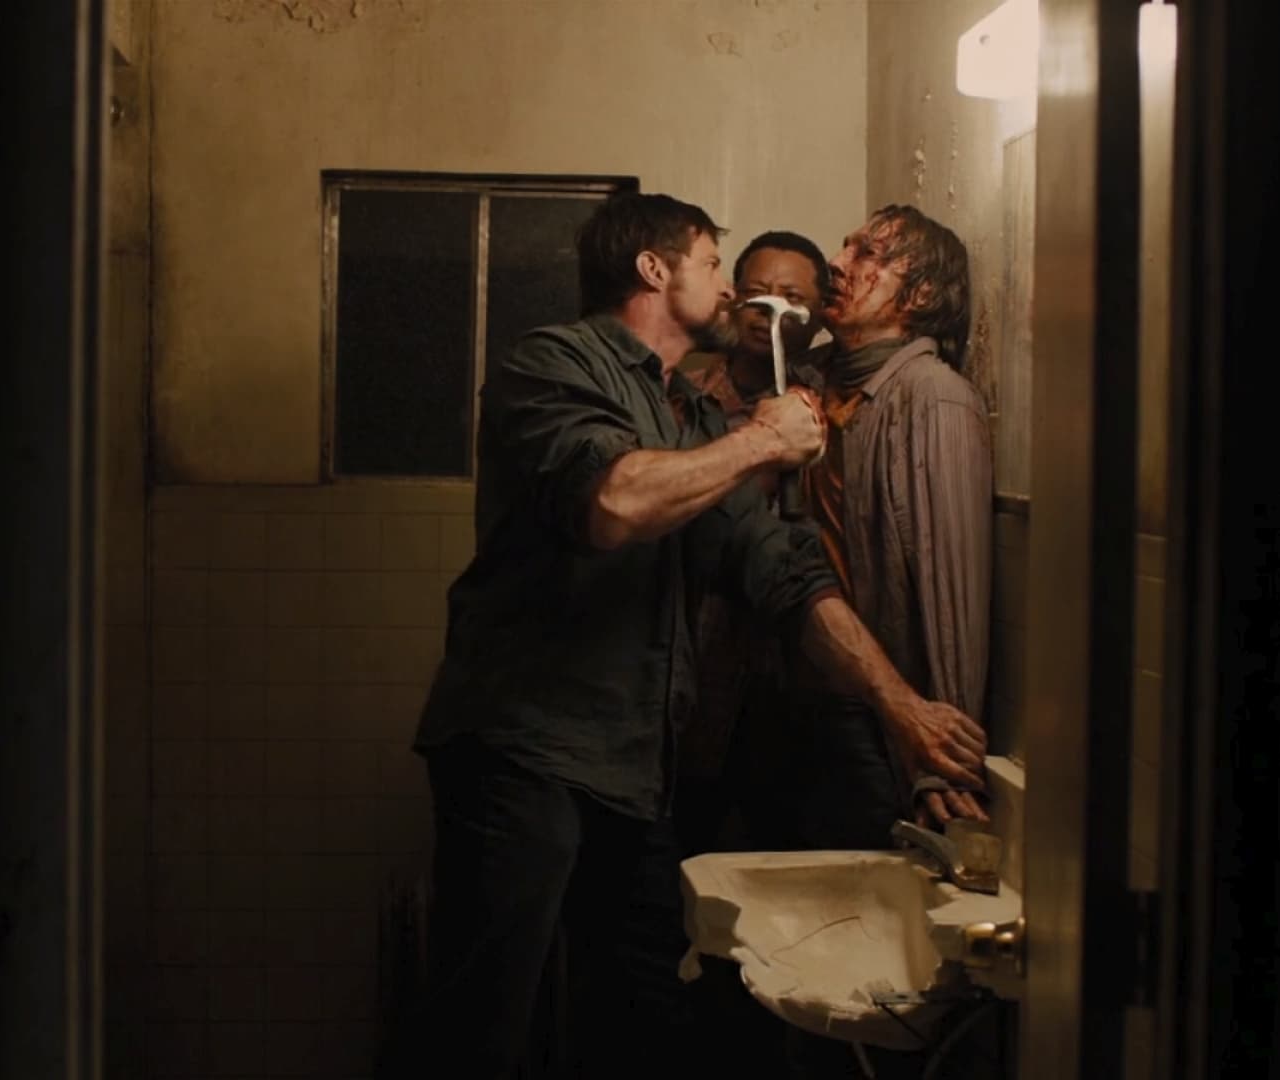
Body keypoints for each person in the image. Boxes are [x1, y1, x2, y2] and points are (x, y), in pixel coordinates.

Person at [382, 193, 987, 1080]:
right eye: (711, 263)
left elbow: (780, 572)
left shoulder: (686, 413)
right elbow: (614, 502)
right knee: (485, 1020)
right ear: (654, 270)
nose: (730, 285)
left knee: (649, 1013)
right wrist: (760, 442)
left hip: (634, 770)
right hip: (525, 753)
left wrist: (904, 710)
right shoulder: (550, 363)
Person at [778, 202, 995, 855]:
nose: (837, 264)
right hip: (799, 696)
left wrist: (941, 755)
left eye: (866, 253)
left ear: (920, 293)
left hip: (875, 721)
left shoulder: (933, 397)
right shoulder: (811, 380)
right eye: (845, 247)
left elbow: (952, 591)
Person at [672, 229, 832, 859]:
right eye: (758, 293)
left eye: (792, 298)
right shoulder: (683, 395)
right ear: (734, 298)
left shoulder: (835, 402)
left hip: (801, 668)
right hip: (701, 658)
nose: (770, 312)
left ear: (818, 315)